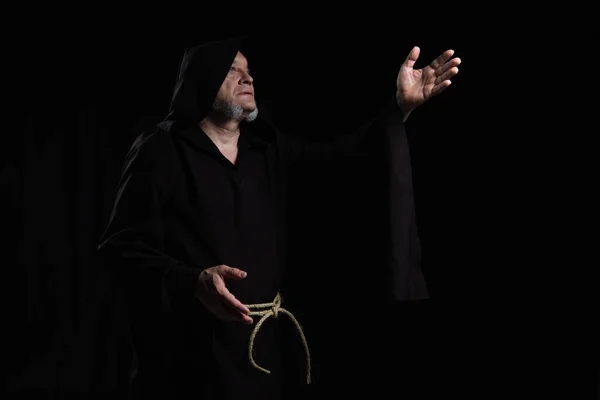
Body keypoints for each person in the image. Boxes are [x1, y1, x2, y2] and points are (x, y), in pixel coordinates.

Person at [97, 35, 460, 399]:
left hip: (265, 357)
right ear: (200, 80)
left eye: (249, 70)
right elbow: (119, 249)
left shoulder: (266, 150)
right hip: (187, 363)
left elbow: (342, 162)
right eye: (232, 70)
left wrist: (397, 110)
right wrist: (192, 281)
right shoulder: (161, 151)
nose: (247, 78)